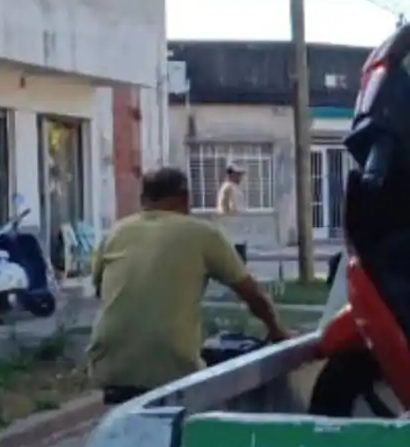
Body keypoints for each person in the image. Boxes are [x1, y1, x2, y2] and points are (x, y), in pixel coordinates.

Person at [88, 166, 290, 405]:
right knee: (216, 401)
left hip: (109, 365)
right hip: (173, 368)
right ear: (184, 198)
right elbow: (251, 295)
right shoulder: (202, 233)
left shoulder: (115, 233)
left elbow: (101, 291)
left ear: (143, 200)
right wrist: (277, 331)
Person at [216, 161, 248, 262]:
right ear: (231, 175)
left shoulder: (229, 187)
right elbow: (233, 207)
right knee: (238, 261)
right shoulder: (230, 187)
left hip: (233, 231)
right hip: (233, 232)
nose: (240, 178)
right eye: (237, 175)